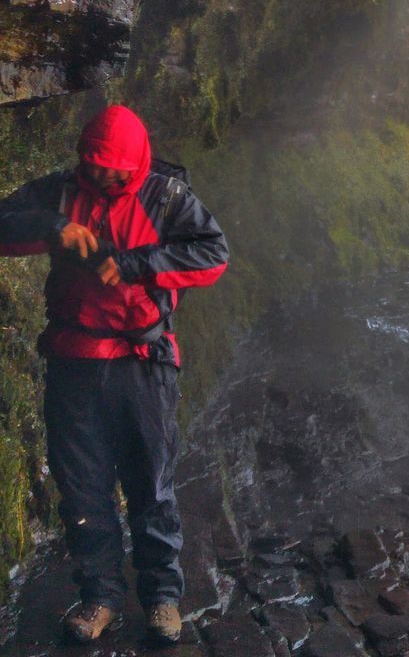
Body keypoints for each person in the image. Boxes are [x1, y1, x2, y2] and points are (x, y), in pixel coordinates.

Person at [0, 104, 229, 646]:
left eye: (112, 168)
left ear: (134, 162)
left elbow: (213, 256)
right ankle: (99, 597)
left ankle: (162, 599)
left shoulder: (165, 197)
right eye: (93, 164)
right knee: (82, 489)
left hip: (142, 363)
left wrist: (134, 264)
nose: (101, 175)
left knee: (151, 483)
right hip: (73, 359)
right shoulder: (61, 191)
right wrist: (55, 227)